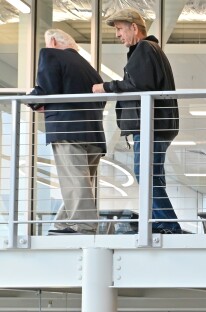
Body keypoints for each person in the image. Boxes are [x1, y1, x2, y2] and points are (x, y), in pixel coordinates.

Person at [92, 8, 182, 234]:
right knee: (152, 176)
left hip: (151, 125)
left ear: (134, 28)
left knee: (147, 175)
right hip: (156, 124)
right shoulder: (148, 50)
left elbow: (139, 85)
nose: (117, 35)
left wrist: (107, 87)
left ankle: (169, 225)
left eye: (120, 29)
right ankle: (160, 223)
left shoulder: (143, 48)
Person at [29, 29, 105, 235]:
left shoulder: (50, 54)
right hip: (94, 134)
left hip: (68, 129)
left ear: (52, 41)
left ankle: (84, 226)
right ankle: (63, 224)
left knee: (75, 180)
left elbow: (46, 91)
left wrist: (32, 100)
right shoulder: (90, 69)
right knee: (79, 182)